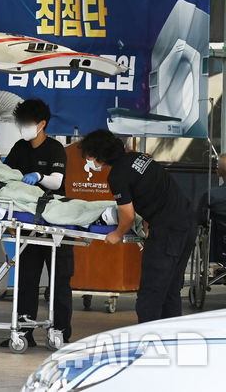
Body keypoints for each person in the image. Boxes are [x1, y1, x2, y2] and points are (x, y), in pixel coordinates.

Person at [79, 129, 196, 323]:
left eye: (89, 158)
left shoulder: (117, 176)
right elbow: (154, 189)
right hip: (186, 222)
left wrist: (117, 234)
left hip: (167, 232)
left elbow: (128, 215)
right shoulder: (139, 158)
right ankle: (171, 340)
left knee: (150, 295)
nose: (88, 162)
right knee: (170, 290)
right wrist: (149, 221)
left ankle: (148, 342)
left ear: (99, 156)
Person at [1, 99, 73, 347]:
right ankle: (23, 331)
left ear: (42, 124)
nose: (23, 127)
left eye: (27, 123)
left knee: (59, 281)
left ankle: (61, 331)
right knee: (26, 280)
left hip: (55, 221)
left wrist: (39, 176)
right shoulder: (20, 148)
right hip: (29, 222)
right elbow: (7, 175)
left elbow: (56, 181)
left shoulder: (55, 148)